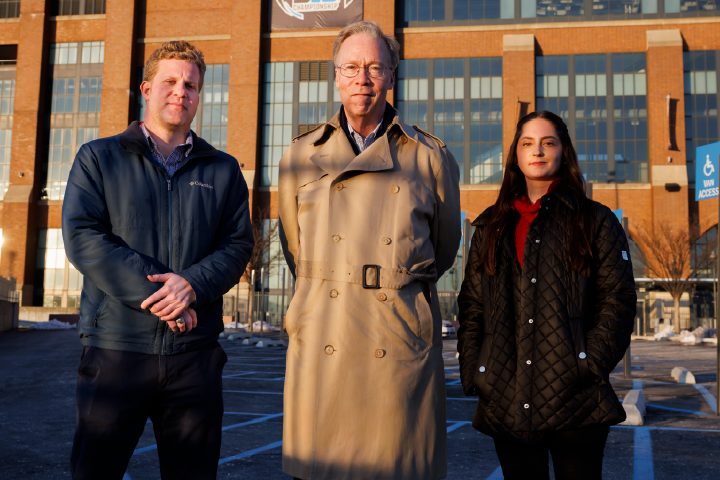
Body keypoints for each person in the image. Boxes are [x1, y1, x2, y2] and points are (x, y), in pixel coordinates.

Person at [278, 20, 461, 480]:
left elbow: (443, 248)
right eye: (352, 67)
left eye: (375, 67)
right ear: (336, 76)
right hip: (325, 329)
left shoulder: (428, 156)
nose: (363, 79)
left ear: (392, 77)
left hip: (395, 333)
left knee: (396, 465)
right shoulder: (300, 155)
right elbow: (293, 247)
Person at [63, 41, 254, 479]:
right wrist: (166, 297)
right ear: (147, 89)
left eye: (191, 85)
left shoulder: (223, 170)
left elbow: (237, 245)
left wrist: (191, 286)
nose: (180, 92)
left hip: (194, 359)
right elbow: (84, 238)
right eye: (170, 81)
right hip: (116, 352)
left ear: (199, 96)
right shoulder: (98, 159)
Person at [457, 110, 636, 480]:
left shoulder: (595, 220)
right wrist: (477, 369)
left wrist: (588, 363)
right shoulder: (490, 225)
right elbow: (473, 305)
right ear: (516, 156)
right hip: (505, 395)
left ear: (563, 152)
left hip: (576, 397)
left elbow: (617, 300)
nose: (537, 151)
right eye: (527, 143)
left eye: (548, 142)